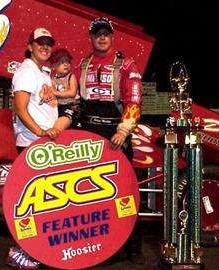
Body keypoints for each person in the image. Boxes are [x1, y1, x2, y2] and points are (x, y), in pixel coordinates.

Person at [76, 17, 144, 263]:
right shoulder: (82, 65)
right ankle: (95, 247)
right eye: (97, 34)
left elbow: (134, 101)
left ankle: (132, 249)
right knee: (88, 193)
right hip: (88, 135)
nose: (102, 37)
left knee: (123, 193)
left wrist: (123, 131)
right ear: (91, 38)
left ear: (112, 37)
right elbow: (73, 100)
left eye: (106, 34)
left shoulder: (126, 65)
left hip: (116, 137)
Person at [7, 27, 59, 270]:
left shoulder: (42, 72)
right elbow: (20, 108)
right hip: (31, 143)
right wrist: (39, 132)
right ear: (30, 46)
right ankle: (19, 252)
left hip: (43, 143)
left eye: (48, 43)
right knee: (32, 201)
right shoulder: (26, 71)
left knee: (43, 201)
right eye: (40, 42)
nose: (45, 47)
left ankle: (35, 250)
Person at [49, 48, 78, 131]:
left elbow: (72, 93)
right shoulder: (52, 79)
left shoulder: (71, 76)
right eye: (62, 62)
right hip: (58, 107)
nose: (66, 64)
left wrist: (55, 92)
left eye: (68, 62)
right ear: (53, 66)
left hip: (70, 105)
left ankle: (55, 130)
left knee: (60, 125)